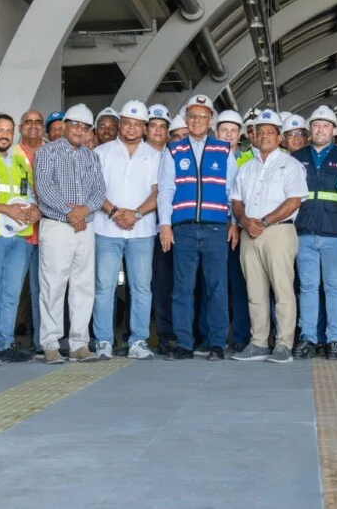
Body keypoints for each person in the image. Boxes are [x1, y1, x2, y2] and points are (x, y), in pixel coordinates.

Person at [157, 94, 239, 361]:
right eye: (192, 116)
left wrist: (234, 223)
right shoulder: (174, 151)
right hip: (184, 229)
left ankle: (216, 343)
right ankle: (184, 343)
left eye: (203, 116)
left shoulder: (223, 150)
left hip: (216, 228)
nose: (197, 121)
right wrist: (165, 225)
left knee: (216, 287)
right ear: (186, 119)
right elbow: (166, 190)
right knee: (183, 288)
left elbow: (232, 191)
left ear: (210, 121)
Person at [230, 110, 308, 363]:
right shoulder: (247, 168)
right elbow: (237, 201)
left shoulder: (291, 165)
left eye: (269, 132)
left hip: (278, 232)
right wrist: (243, 221)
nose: (263, 136)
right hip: (249, 233)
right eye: (259, 132)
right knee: (255, 291)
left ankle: (284, 344)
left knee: (283, 290)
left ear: (279, 138)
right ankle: (259, 342)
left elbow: (294, 200)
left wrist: (263, 221)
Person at [34, 104, 105, 364]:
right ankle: (50, 344)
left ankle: (79, 344)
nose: (79, 130)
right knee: (53, 285)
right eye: (75, 125)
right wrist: (70, 214)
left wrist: (84, 210)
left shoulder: (92, 157)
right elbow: (44, 186)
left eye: (85, 127)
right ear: (64, 126)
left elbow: (99, 190)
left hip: (84, 228)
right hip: (57, 227)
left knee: (83, 286)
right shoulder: (48, 152)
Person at [92, 101, 160, 361]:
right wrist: (114, 212)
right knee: (104, 287)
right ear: (121, 124)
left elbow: (158, 192)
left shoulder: (156, 156)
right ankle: (103, 341)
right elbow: (94, 188)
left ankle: (138, 341)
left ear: (144, 128)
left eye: (137, 124)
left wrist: (136, 213)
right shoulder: (102, 152)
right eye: (127, 123)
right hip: (106, 230)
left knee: (142, 287)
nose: (132, 128)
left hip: (142, 231)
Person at [0, 114, 40, 363]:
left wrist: (35, 211)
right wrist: (7, 209)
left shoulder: (21, 162)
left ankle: (4, 343)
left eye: (8, 131)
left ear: (14, 133)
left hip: (20, 235)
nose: (4, 135)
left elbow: (30, 194)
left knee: (11, 293)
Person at [293, 106, 337, 360]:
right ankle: (308, 338)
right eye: (316, 125)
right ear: (309, 130)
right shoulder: (296, 157)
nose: (320, 129)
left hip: (334, 232)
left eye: (325, 125)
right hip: (304, 231)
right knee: (307, 286)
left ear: (334, 130)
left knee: (334, 287)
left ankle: (335, 340)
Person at [215, 109, 251, 352]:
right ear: (216, 133)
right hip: (213, 227)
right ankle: (212, 337)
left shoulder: (249, 160)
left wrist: (236, 224)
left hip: (239, 227)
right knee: (213, 285)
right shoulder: (207, 157)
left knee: (240, 285)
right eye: (224, 130)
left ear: (240, 135)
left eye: (233, 131)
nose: (228, 135)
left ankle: (240, 336)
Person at [145, 103, 177, 351]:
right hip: (146, 229)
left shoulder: (176, 154)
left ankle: (184, 333)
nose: (157, 131)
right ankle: (163, 335)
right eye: (153, 126)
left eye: (162, 127)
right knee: (156, 284)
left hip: (176, 228)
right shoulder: (135, 154)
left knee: (182, 284)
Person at [17, 109, 47, 355]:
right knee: (10, 289)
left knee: (41, 290)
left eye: (38, 122)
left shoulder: (52, 153)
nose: (33, 126)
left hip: (46, 233)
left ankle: (40, 342)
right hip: (16, 232)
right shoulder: (11, 153)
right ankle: (1, 340)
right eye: (28, 122)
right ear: (20, 127)